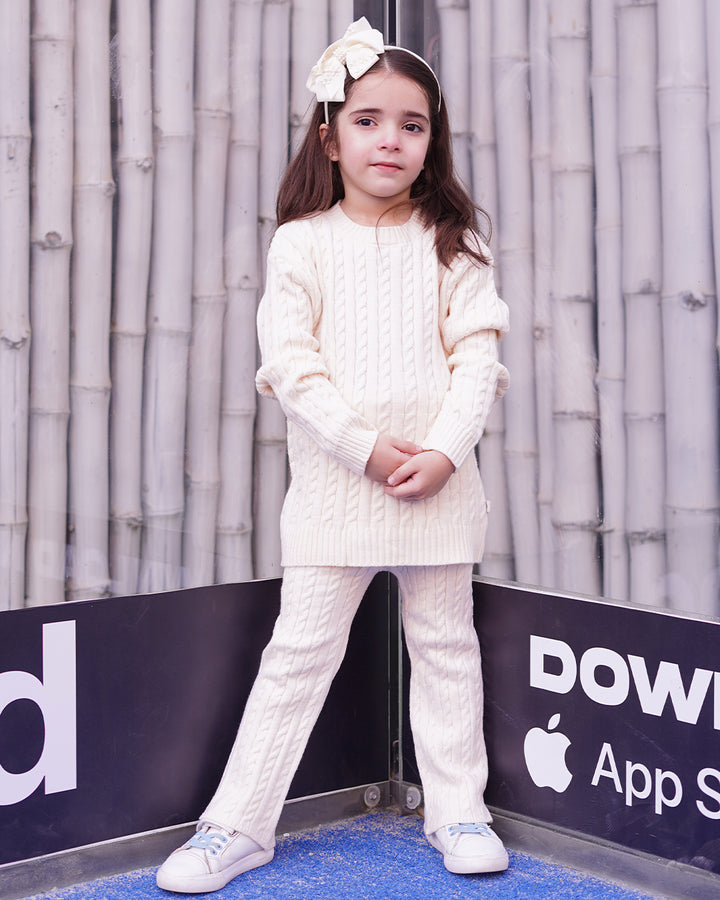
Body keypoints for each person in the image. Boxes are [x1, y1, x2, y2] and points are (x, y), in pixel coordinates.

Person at [156, 17, 510, 894]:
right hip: (332, 495)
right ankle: (237, 825)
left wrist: (440, 453)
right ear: (330, 134)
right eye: (368, 119)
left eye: (412, 125)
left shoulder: (454, 244)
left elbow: (479, 361)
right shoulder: (301, 242)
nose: (390, 138)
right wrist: (364, 449)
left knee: (445, 649)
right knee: (297, 660)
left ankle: (458, 809)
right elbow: (293, 369)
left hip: (438, 489)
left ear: (433, 143)